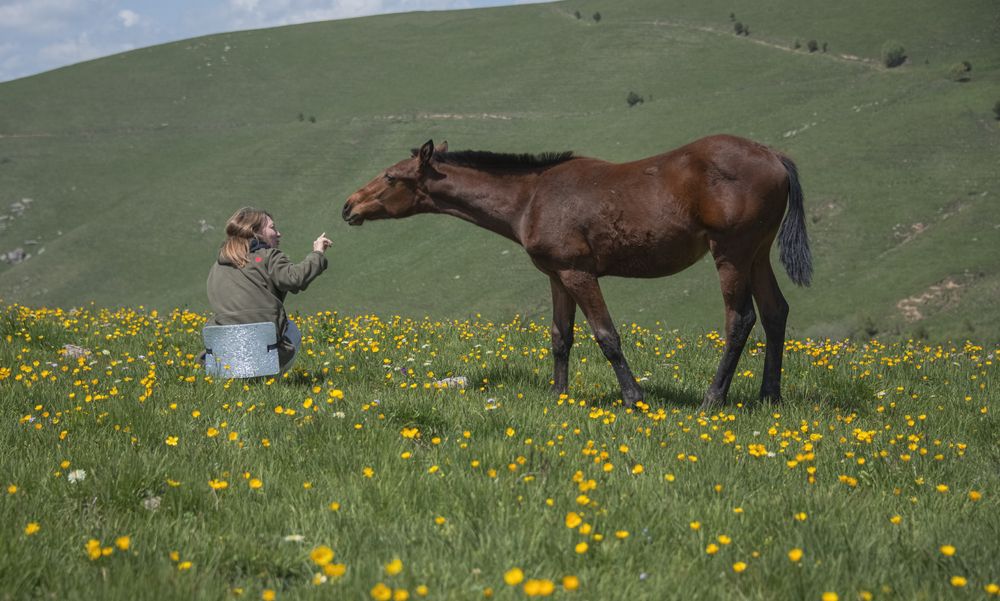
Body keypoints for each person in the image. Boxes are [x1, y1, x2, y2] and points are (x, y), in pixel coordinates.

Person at [206, 207, 332, 372]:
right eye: (272, 228)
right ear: (255, 231)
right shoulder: (267, 256)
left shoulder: (217, 267)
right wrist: (317, 253)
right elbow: (295, 279)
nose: (278, 234)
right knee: (291, 328)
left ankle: (240, 379)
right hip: (265, 358)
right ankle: (269, 379)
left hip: (225, 361)